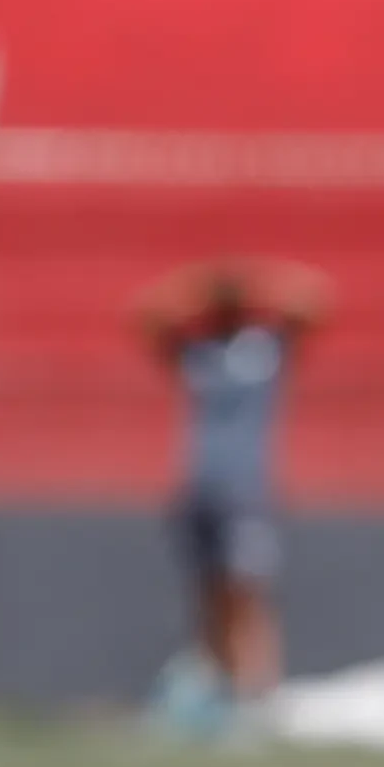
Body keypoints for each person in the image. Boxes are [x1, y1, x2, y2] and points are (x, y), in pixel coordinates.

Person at [132, 258, 331, 717]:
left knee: (248, 594)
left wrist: (253, 288)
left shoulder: (264, 348)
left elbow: (317, 303)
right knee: (208, 595)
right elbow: (146, 316)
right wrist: (202, 288)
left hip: (247, 490)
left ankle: (257, 694)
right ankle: (217, 693)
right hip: (200, 488)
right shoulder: (197, 351)